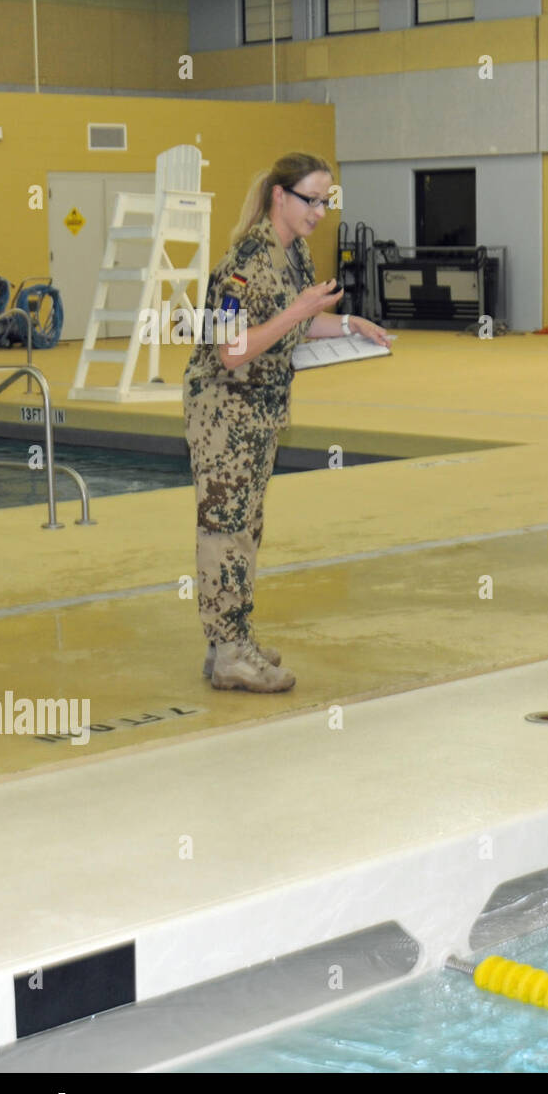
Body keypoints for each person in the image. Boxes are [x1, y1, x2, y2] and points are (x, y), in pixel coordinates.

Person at [184, 153, 390, 692]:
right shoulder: (242, 265)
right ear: (281, 196)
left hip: (260, 410)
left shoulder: (291, 251)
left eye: (326, 201)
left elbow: (295, 319)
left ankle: (229, 641)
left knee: (246, 528)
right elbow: (231, 351)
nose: (320, 212)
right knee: (226, 529)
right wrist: (299, 312)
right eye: (311, 200)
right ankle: (229, 649)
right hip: (223, 413)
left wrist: (348, 323)